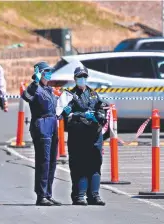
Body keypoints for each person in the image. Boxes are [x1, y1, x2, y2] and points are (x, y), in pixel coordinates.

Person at [61, 65, 109, 206]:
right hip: (78, 136)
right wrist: (80, 115)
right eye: (79, 77)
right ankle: (79, 195)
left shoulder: (93, 94)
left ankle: (94, 195)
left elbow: (101, 108)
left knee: (95, 164)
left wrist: (99, 116)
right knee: (78, 166)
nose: (82, 79)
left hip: (94, 135)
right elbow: (64, 116)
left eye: (84, 76)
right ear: (75, 78)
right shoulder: (69, 95)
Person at [21, 61, 61, 206]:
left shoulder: (48, 89)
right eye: (46, 71)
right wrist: (34, 82)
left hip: (52, 124)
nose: (49, 74)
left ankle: (48, 194)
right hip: (41, 125)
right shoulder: (35, 88)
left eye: (50, 71)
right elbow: (25, 96)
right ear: (39, 73)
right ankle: (41, 195)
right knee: (43, 161)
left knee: (51, 161)